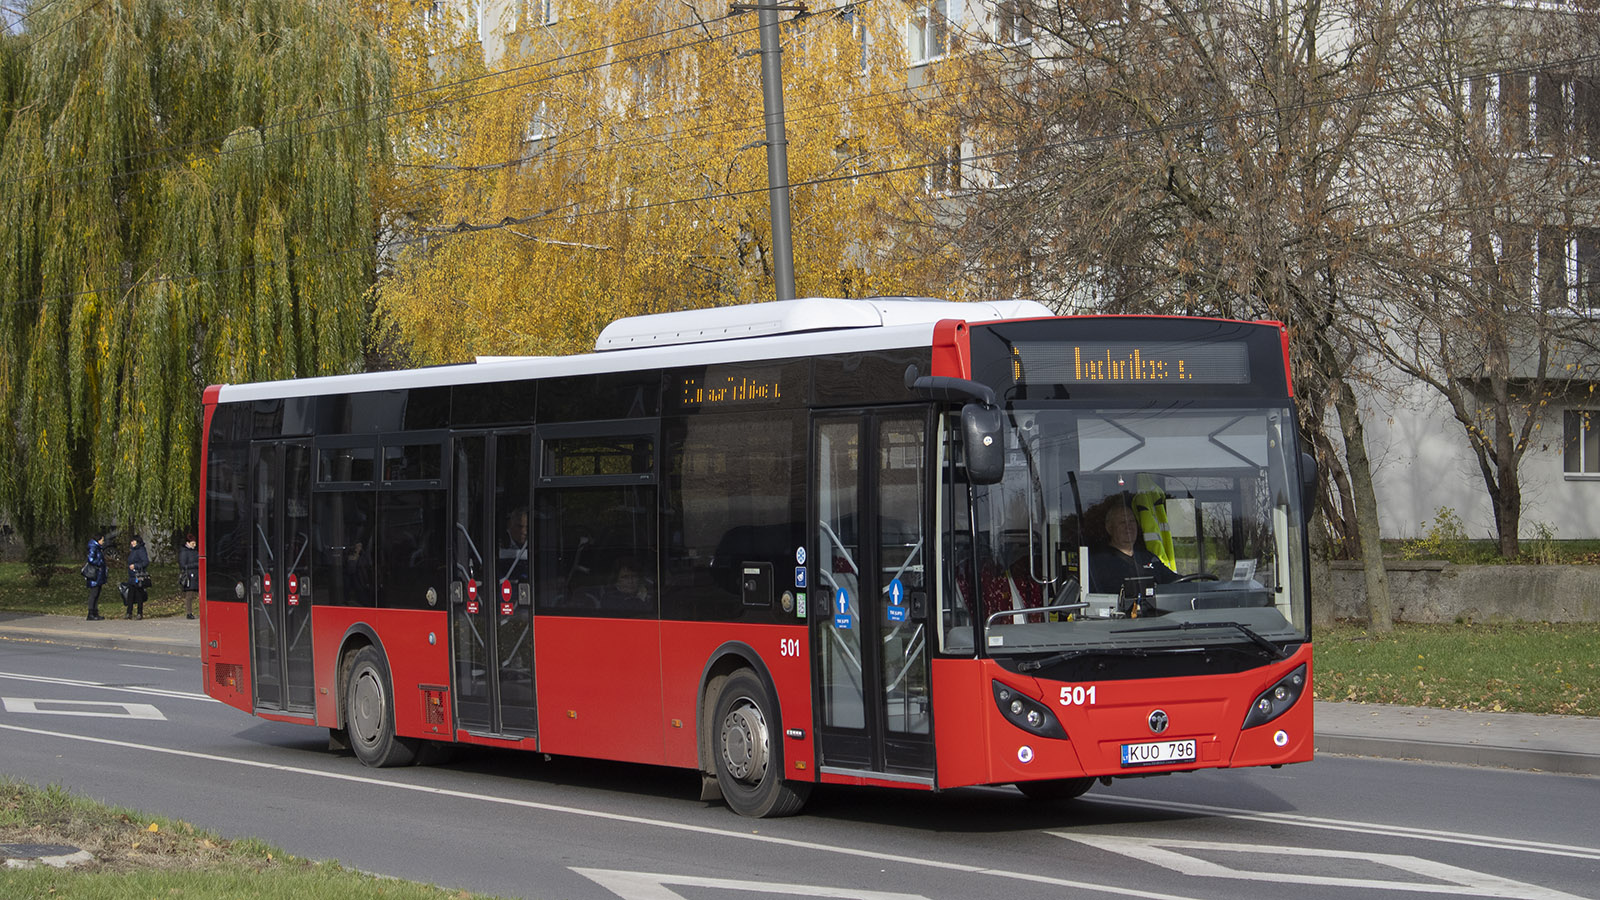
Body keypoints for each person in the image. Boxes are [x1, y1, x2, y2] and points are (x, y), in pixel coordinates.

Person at [1089, 502, 1179, 595]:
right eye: (1122, 522)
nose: (1128, 526)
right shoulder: (1099, 563)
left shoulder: (1148, 557)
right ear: (1110, 528)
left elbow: (1175, 581)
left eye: (1132, 521)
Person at [83, 528, 109, 621]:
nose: (103, 541)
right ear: (98, 540)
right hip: (94, 574)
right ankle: (91, 613)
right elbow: (91, 559)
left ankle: (95, 612)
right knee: (94, 593)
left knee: (97, 593)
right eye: (102, 540)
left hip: (99, 574)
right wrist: (100, 562)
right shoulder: (93, 547)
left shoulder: (98, 548)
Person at [124, 534, 150, 620]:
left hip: (138, 575)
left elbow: (145, 562)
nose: (132, 543)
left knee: (139, 594)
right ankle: (129, 612)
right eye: (131, 541)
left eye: (133, 541)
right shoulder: (133, 550)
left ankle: (139, 612)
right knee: (130, 594)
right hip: (132, 575)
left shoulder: (141, 550)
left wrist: (135, 566)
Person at [178, 534, 200, 619]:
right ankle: (189, 612)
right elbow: (183, 565)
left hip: (196, 574)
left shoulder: (195, 551)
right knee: (189, 595)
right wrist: (196, 565)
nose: (194, 545)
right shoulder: (184, 552)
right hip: (189, 575)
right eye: (193, 543)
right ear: (188, 543)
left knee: (198, 594)